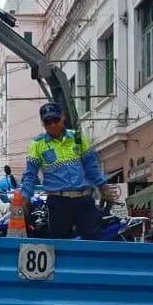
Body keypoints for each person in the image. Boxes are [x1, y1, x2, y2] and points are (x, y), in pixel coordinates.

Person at [20, 102, 114, 240]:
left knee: (94, 241)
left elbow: (91, 167)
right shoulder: (37, 144)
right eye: (47, 122)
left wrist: (103, 188)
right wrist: (24, 197)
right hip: (58, 203)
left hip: (83, 199)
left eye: (55, 120)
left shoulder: (78, 138)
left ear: (63, 117)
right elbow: (30, 176)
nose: (52, 125)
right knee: (59, 245)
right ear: (42, 123)